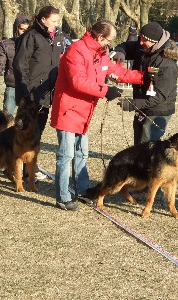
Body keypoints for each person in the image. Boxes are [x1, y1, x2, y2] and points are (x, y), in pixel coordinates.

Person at [50, 20, 145, 211]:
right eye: (108, 40)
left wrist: (143, 77)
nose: (109, 44)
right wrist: (105, 90)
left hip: (84, 112)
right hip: (69, 110)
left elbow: (115, 70)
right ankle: (63, 196)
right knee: (66, 155)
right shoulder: (76, 51)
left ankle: (84, 190)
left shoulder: (99, 54)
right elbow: (78, 81)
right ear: (100, 37)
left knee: (81, 153)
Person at [13, 6, 65, 180]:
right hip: (30, 93)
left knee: (37, 132)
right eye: (54, 21)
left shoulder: (58, 38)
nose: (56, 25)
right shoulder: (31, 36)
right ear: (43, 20)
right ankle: (19, 168)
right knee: (23, 132)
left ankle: (29, 168)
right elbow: (20, 65)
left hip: (46, 93)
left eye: (58, 21)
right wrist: (25, 92)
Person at [113, 22, 178, 145]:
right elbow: (127, 46)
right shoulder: (144, 47)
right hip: (142, 106)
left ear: (155, 41)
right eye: (140, 38)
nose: (140, 42)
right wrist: (120, 52)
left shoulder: (166, 62)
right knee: (139, 148)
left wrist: (133, 104)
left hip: (157, 110)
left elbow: (159, 96)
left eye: (144, 40)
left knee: (146, 151)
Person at [0, 16, 30, 114]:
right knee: (6, 117)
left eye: (27, 30)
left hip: (28, 86)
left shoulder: (34, 45)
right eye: (22, 29)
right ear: (16, 29)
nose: (24, 32)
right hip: (12, 85)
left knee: (25, 120)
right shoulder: (6, 45)